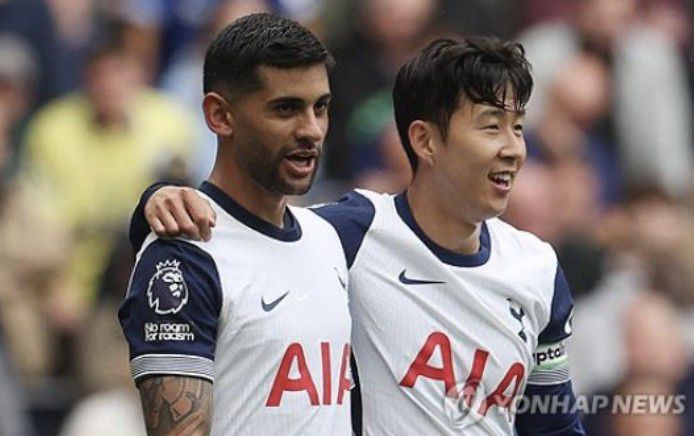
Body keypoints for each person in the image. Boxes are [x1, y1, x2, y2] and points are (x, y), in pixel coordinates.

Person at [133, 37, 585, 434]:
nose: (514, 148)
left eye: (518, 127)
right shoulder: (352, 234)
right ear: (425, 141)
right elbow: (245, 235)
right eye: (491, 126)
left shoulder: (538, 268)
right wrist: (156, 201)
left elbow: (554, 423)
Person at [118, 13, 352, 435]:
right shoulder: (184, 256)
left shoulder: (330, 236)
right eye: (286, 109)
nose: (312, 130)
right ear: (220, 115)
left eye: (321, 107)